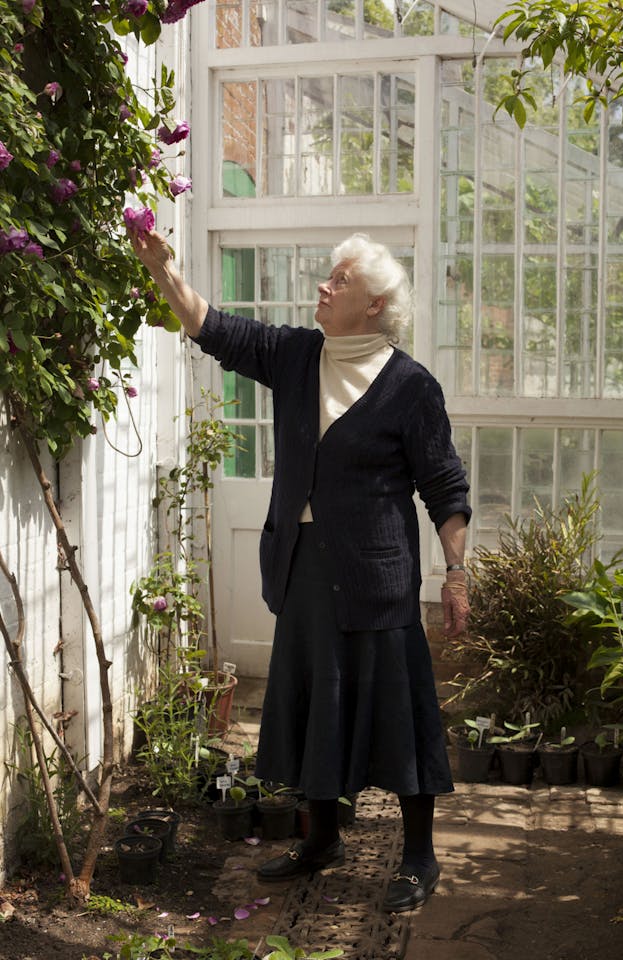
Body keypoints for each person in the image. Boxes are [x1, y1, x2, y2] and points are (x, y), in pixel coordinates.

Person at [131, 228, 471, 913]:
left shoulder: (411, 388)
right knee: (316, 703)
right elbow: (212, 327)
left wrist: (455, 573)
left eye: (339, 280)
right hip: (302, 568)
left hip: (378, 580)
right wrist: (163, 270)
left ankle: (418, 856)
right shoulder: (295, 356)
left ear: (373, 303)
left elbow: (444, 486)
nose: (323, 285)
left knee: (397, 718)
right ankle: (321, 841)